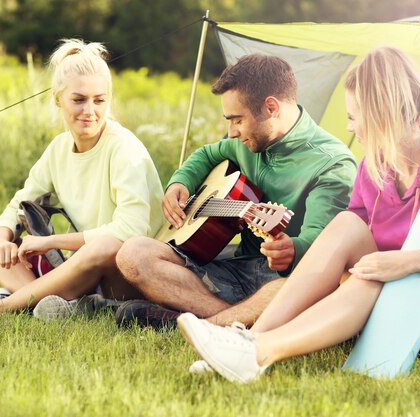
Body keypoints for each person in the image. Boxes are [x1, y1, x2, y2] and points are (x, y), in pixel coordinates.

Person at [176, 47, 420, 383]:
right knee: (348, 225)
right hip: (386, 286)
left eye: (353, 116)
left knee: (372, 277)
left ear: (381, 113)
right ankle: (247, 340)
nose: (350, 126)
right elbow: (347, 241)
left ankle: (257, 351)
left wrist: (413, 261)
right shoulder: (372, 166)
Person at [115, 54, 357, 330]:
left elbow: (321, 244)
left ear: (270, 107)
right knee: (133, 254)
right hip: (236, 270)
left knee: (288, 291)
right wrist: (180, 182)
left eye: (237, 120)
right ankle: (230, 322)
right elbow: (207, 154)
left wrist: (291, 248)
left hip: (281, 282)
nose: (231, 133)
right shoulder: (245, 142)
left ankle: (196, 321)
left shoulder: (332, 164)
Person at [0, 39, 164, 318]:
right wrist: (2, 237)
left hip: (128, 274)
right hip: (84, 271)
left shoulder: (124, 149)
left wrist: (49, 243)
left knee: (104, 246)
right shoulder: (58, 149)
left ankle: (3, 305)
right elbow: (20, 203)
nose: (89, 110)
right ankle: (46, 304)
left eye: (99, 100)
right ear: (58, 99)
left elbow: (132, 230)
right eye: (79, 99)